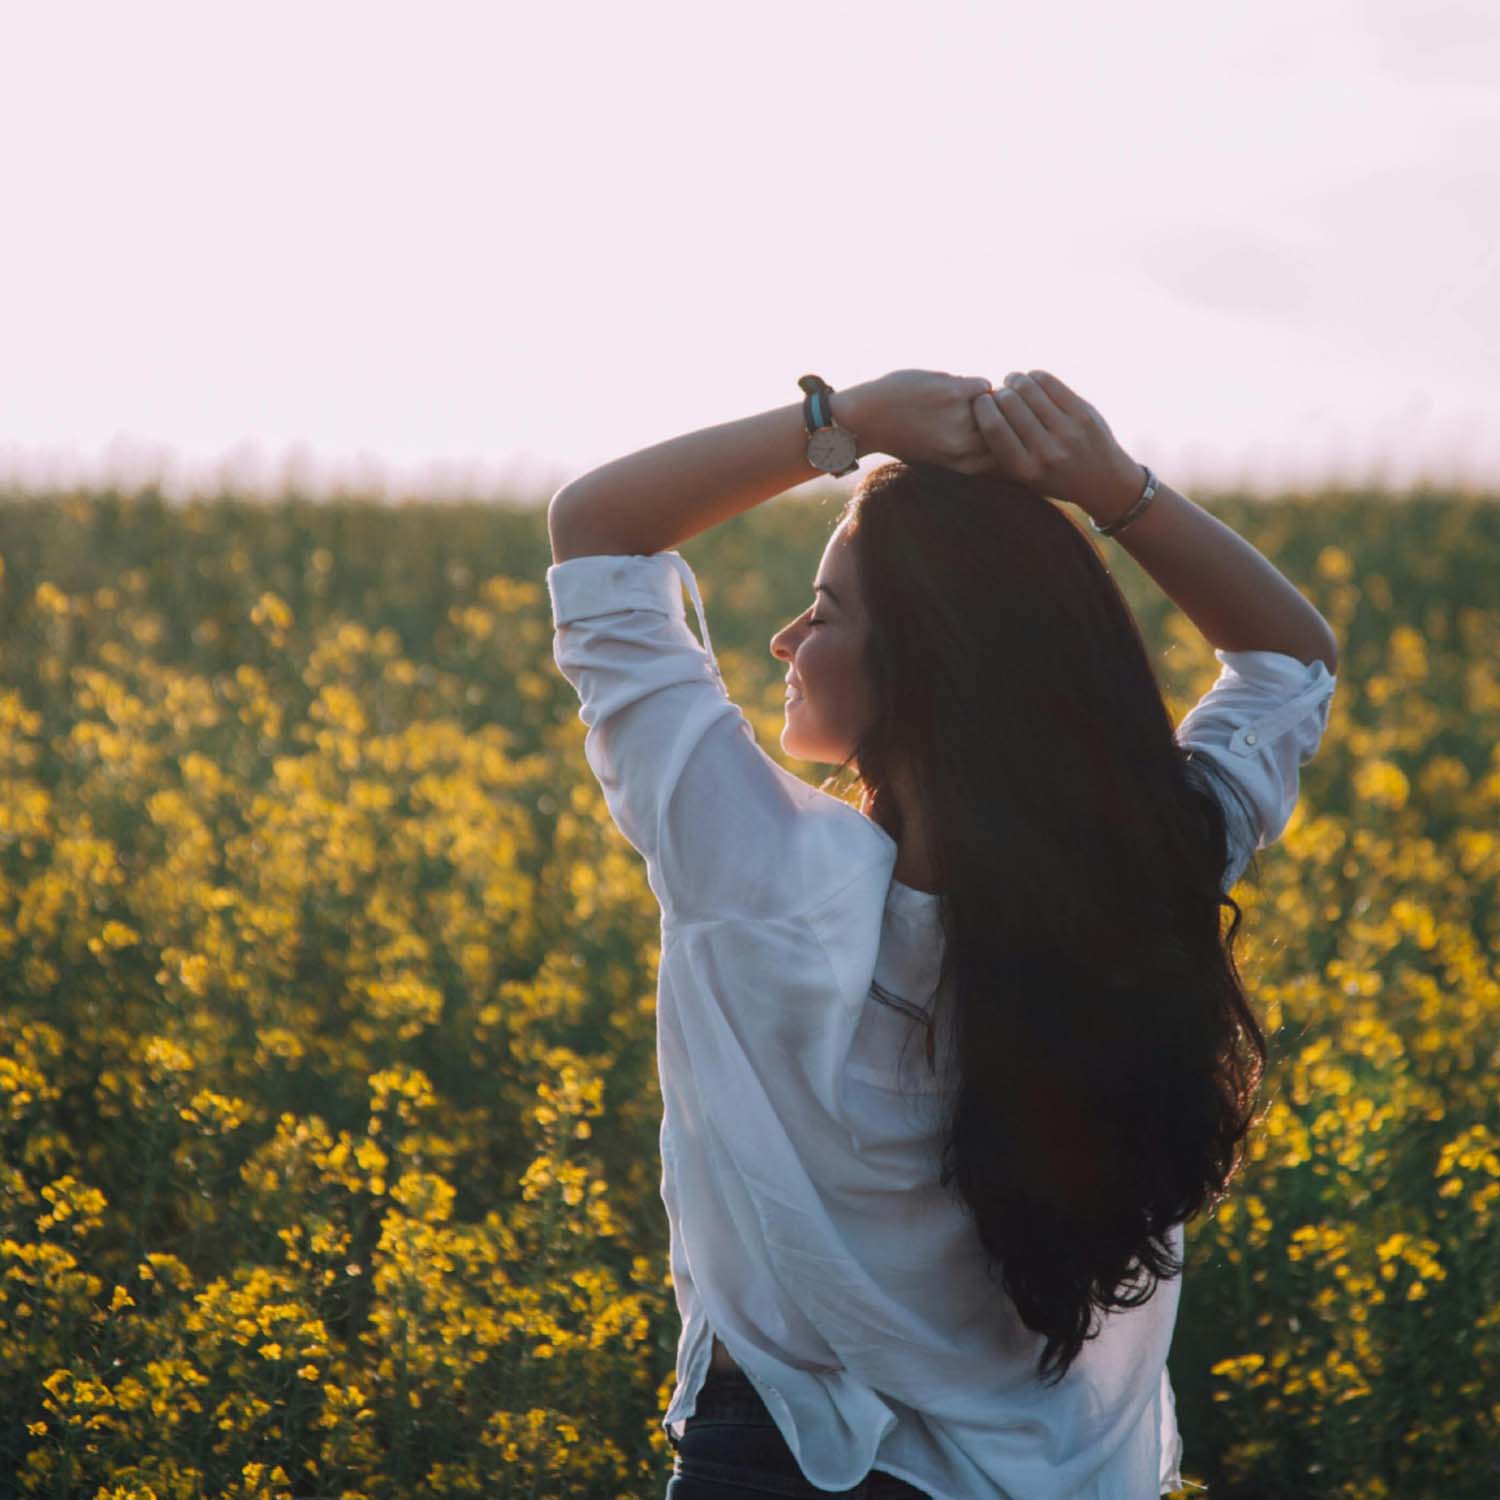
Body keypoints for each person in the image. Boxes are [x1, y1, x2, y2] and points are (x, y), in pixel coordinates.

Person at [545, 368, 1338, 1499]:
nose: (783, 639)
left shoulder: (758, 874)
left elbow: (598, 532)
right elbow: (1291, 659)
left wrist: (847, 420)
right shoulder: (1148, 867)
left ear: (918, 665)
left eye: (823, 613)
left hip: (791, 1463)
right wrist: (1112, 488)